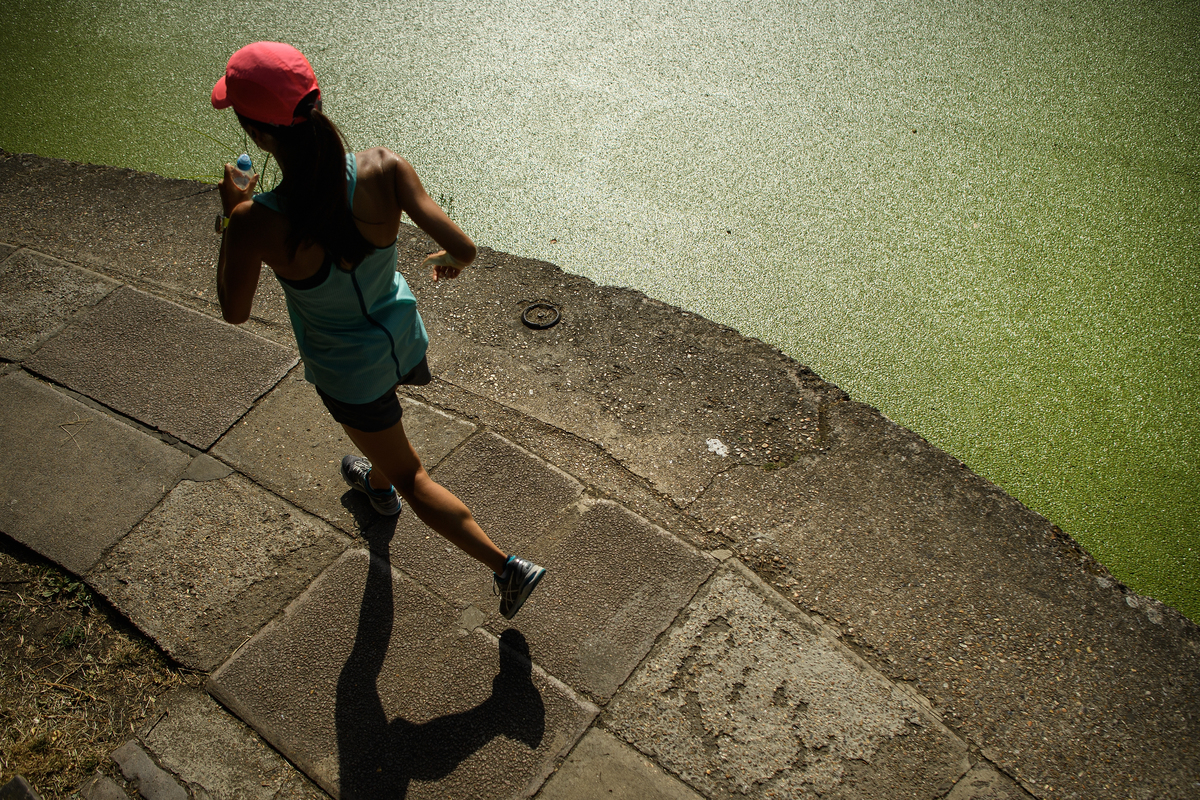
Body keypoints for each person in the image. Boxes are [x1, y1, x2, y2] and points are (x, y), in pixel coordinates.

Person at [210, 41, 544, 620]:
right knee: (385, 443)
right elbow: (464, 248)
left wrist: (230, 216)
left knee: (415, 475)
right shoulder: (383, 167)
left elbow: (234, 312)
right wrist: (447, 261)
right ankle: (377, 481)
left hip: (349, 370)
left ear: (259, 135)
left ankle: (506, 567)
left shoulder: (255, 222)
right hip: (403, 337)